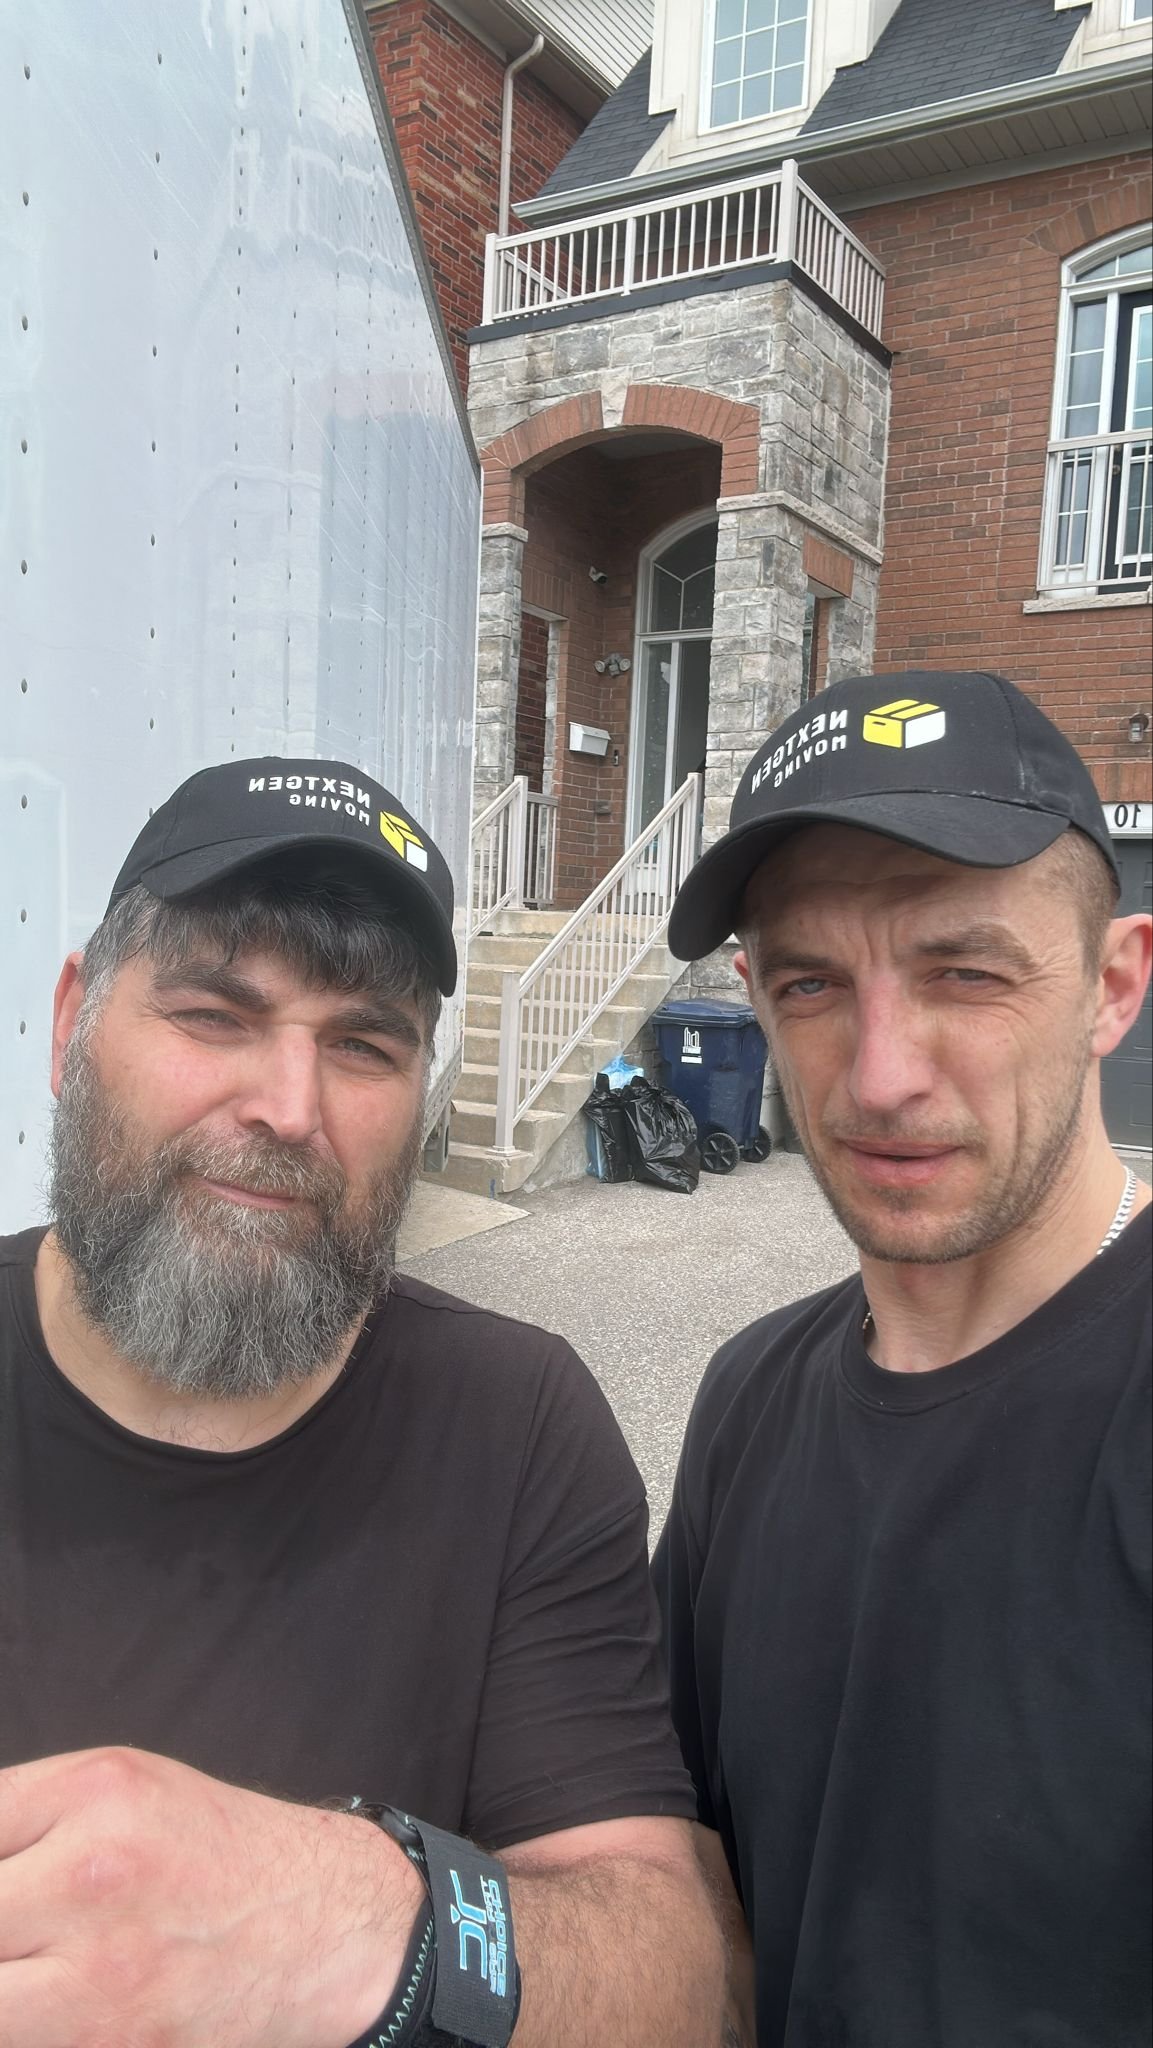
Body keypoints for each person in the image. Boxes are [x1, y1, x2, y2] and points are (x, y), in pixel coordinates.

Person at [0, 757, 729, 2048]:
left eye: (363, 1045)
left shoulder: (515, 1428)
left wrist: (348, 1916)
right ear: (71, 1027)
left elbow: (670, 1981)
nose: (290, 1110)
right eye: (214, 1014)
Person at [655, 670, 1152, 2048]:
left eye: (964, 973)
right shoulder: (747, 1399)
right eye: (811, 982)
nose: (878, 1077)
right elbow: (687, 1864)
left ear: (1112, 988)